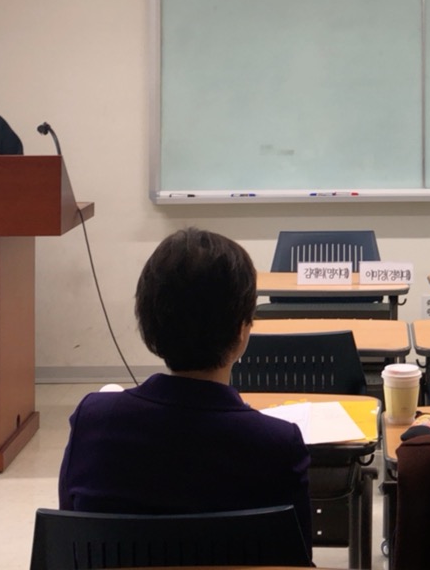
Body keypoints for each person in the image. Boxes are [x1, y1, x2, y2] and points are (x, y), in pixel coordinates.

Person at [57, 228, 312, 555]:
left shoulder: (93, 420)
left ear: (148, 320)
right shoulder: (277, 444)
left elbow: (72, 541)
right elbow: (296, 559)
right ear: (242, 330)